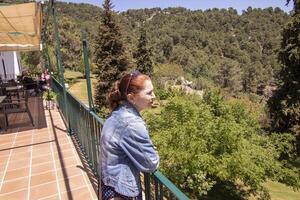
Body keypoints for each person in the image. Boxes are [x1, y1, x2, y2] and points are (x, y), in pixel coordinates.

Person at [99, 71, 159, 200]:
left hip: (109, 183)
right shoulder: (131, 123)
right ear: (131, 97)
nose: (154, 96)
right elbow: (151, 163)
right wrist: (153, 150)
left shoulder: (117, 112)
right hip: (123, 190)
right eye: (149, 93)